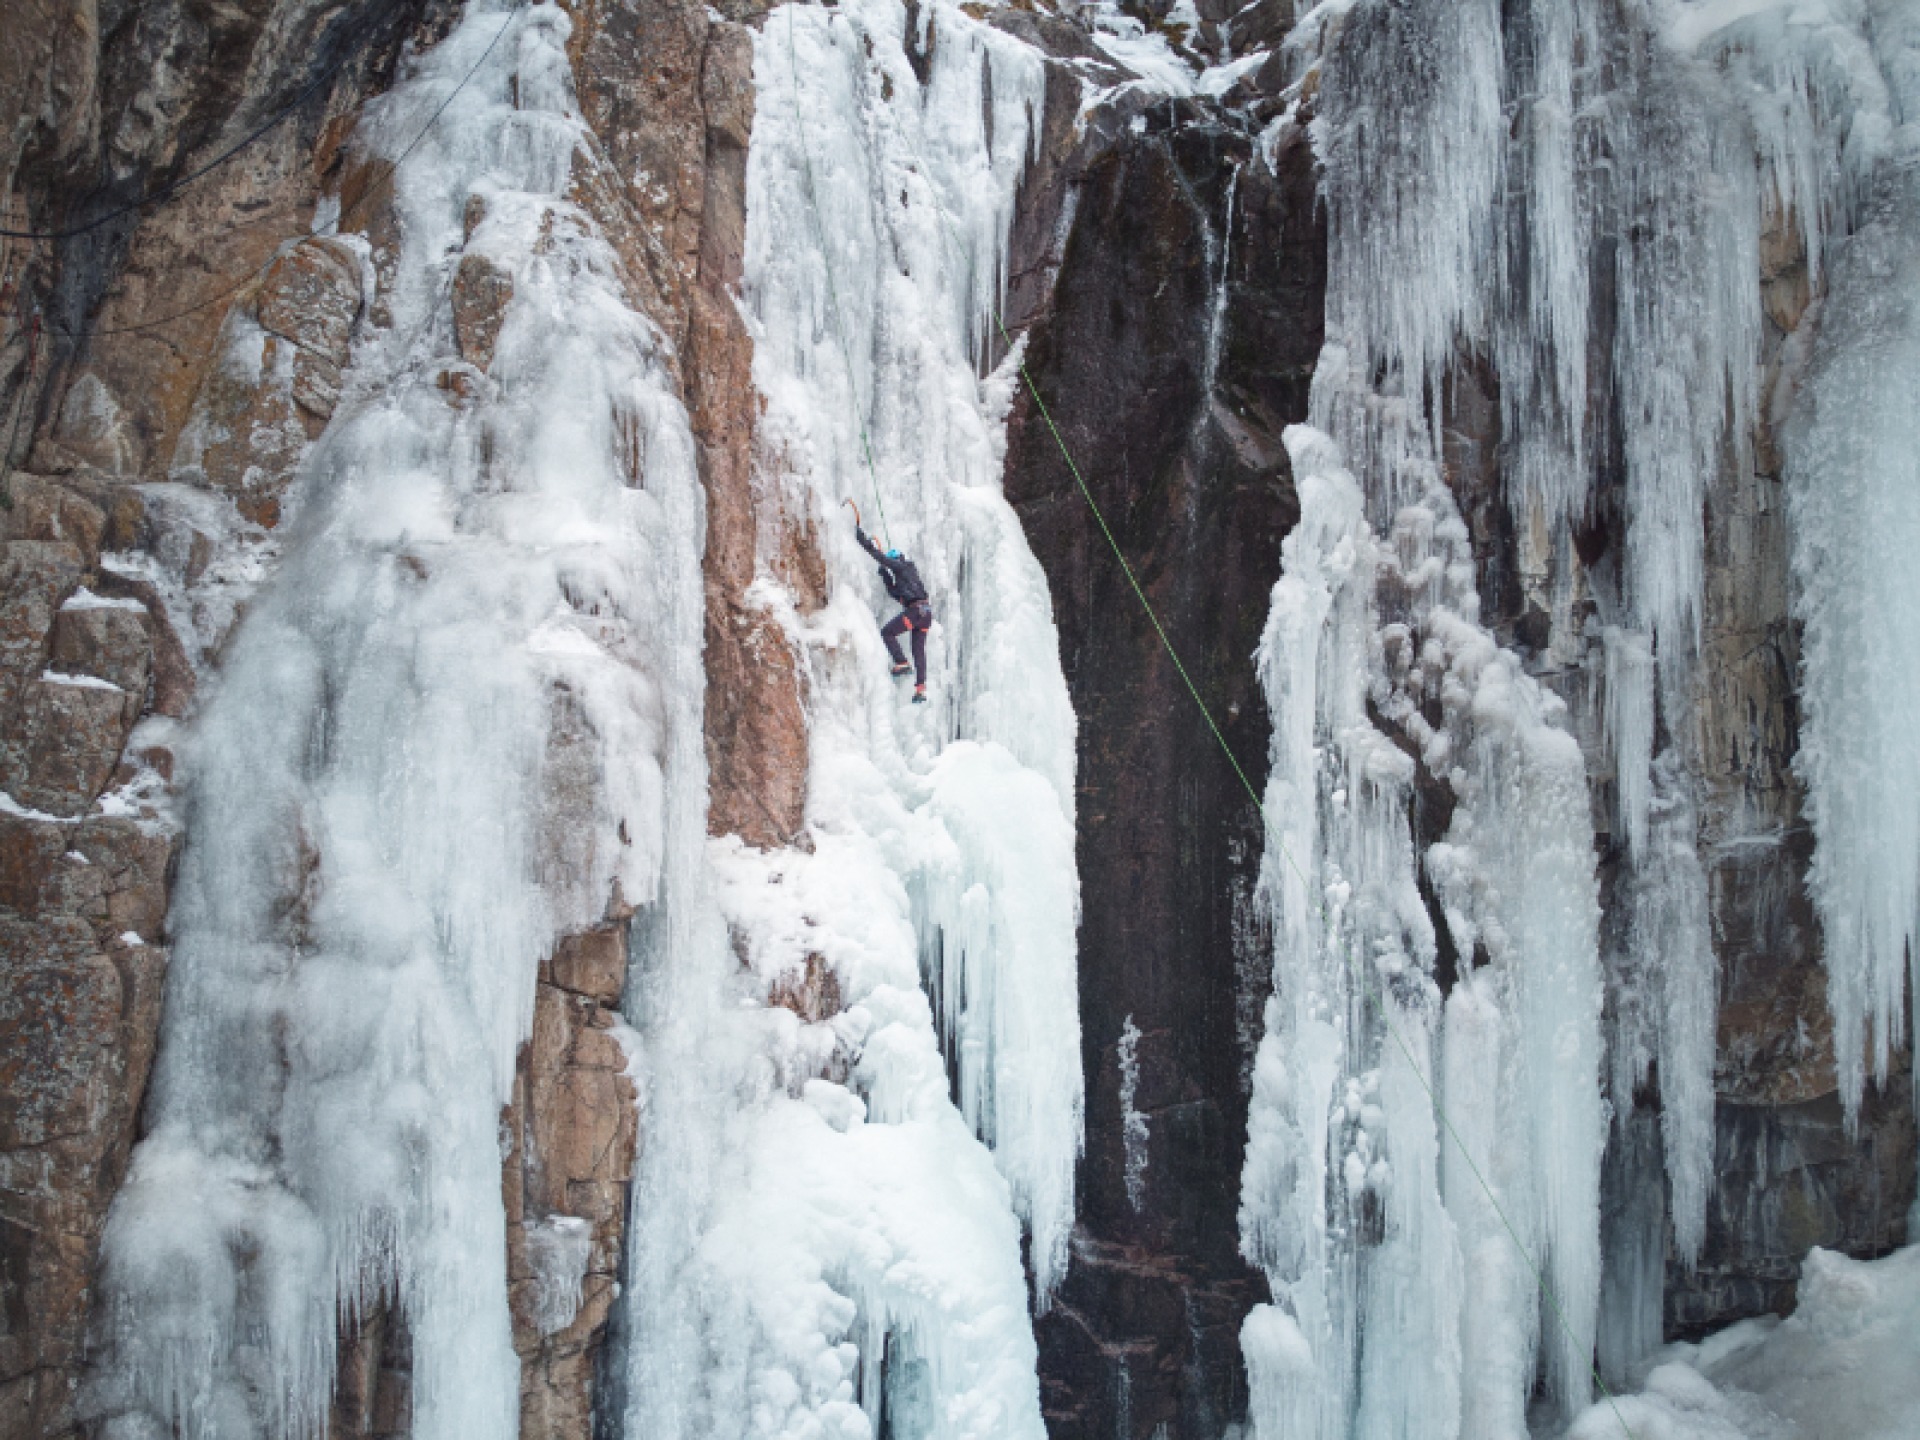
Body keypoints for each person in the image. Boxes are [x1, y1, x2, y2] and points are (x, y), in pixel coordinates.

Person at [854, 523, 932, 702]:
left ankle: (902, 662)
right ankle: (920, 688)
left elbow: (880, 558)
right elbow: (895, 592)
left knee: (887, 632)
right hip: (925, 615)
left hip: (916, 612)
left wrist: (864, 542)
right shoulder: (907, 579)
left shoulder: (904, 566)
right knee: (918, 651)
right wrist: (884, 575)